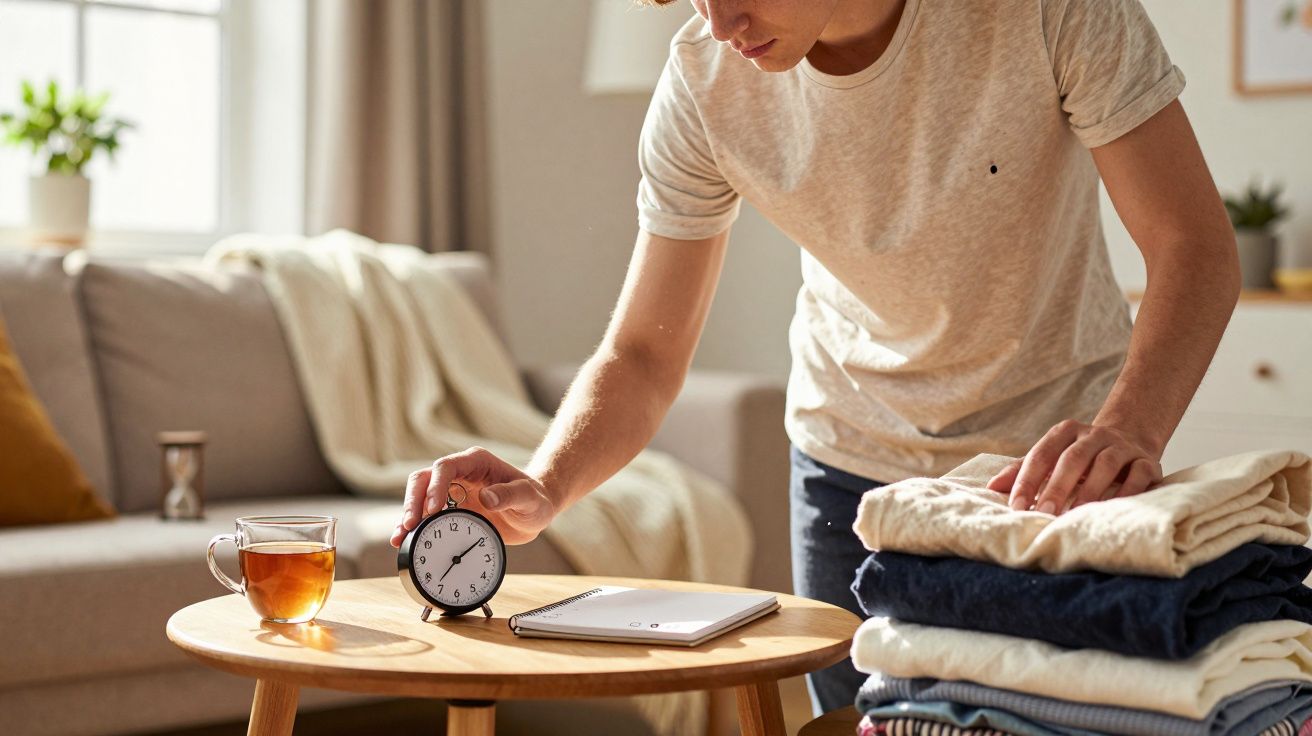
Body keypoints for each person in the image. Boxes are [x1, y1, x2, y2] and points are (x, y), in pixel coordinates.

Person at [391, 0, 1240, 714]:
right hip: (848, 474)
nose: (720, 21)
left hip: (1051, 471)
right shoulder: (702, 83)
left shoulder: (1049, 10)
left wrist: (1129, 428)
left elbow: (1193, 246)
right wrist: (547, 485)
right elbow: (644, 354)